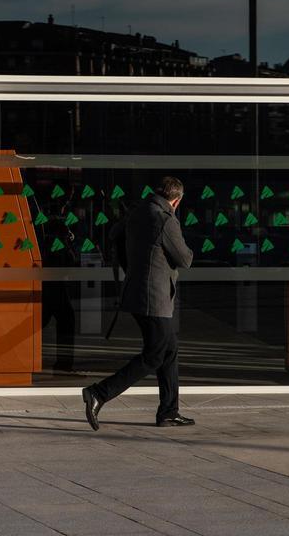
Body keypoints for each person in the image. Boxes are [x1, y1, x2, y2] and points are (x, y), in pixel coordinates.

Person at [81, 176, 195, 430]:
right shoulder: (166, 219)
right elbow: (185, 259)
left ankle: (168, 411)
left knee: (169, 350)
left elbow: (115, 235)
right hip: (154, 298)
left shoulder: (138, 212)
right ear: (176, 200)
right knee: (155, 354)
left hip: (136, 292)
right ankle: (99, 393)